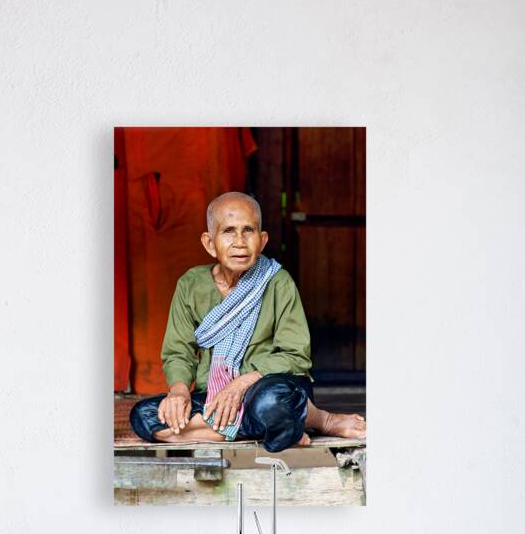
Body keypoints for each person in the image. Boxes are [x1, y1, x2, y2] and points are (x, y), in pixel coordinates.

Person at [129, 191, 366, 453]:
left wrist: (240, 384)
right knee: (145, 416)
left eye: (248, 231)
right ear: (209, 243)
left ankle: (320, 419)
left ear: (262, 240)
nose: (240, 242)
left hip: (268, 387)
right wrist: (179, 391)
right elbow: (178, 352)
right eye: (228, 231)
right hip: (215, 398)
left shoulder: (278, 282)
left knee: (271, 404)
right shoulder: (190, 285)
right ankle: (279, 427)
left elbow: (296, 356)